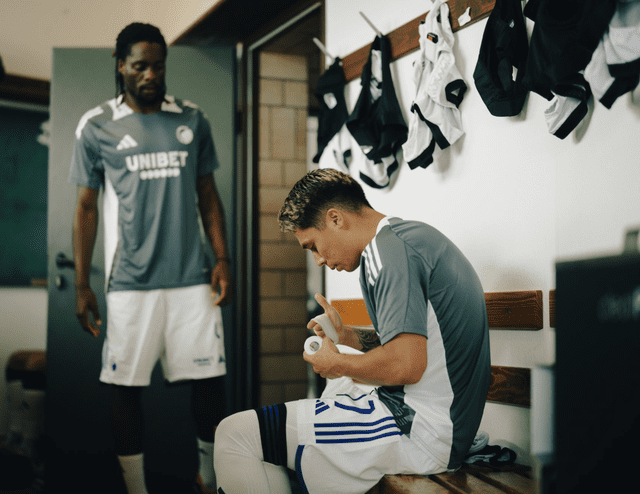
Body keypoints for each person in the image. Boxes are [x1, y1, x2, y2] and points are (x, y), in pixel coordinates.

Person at [213, 168, 491, 494]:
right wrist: (346, 337)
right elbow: (413, 345)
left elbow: (406, 365)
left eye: (313, 246)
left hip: (419, 430)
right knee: (272, 441)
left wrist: (337, 364)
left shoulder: (388, 253)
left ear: (335, 219)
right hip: (436, 423)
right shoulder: (403, 240)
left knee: (235, 434)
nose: (317, 260)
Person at [68, 22, 231, 494]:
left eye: (158, 65)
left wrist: (222, 257)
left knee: (208, 381)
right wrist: (82, 284)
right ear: (121, 65)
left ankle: (210, 478)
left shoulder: (193, 119)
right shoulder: (96, 124)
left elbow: (207, 193)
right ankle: (135, 489)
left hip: (192, 278)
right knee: (125, 389)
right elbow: (84, 207)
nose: (150, 75)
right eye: (139, 65)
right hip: (130, 282)